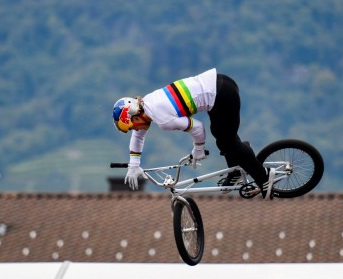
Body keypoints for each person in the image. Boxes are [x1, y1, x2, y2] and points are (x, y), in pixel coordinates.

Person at [112, 68, 276, 199]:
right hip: (220, 86)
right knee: (222, 135)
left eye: (133, 126)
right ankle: (234, 169)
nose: (136, 130)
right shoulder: (147, 103)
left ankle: (264, 179)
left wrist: (198, 149)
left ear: (136, 114)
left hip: (222, 94)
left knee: (228, 142)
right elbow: (138, 137)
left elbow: (197, 127)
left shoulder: (162, 120)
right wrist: (134, 165)